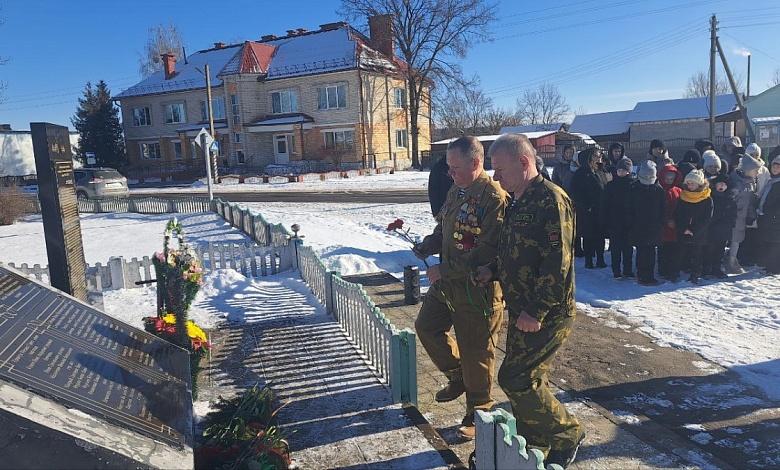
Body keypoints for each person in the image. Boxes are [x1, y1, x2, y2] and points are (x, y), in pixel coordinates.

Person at [471, 133, 584, 469]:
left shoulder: (551, 199)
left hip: (546, 313)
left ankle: (567, 433)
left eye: (499, 168)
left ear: (523, 162)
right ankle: (536, 442)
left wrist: (537, 309)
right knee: (531, 379)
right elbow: (518, 253)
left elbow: (557, 260)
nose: (495, 176)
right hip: (524, 309)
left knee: (516, 379)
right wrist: (491, 270)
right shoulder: (520, 199)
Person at [412, 135, 507, 441]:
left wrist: (445, 269)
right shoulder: (457, 189)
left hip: (475, 289)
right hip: (448, 284)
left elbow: (489, 252)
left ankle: (478, 413)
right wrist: (430, 244)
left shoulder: (494, 198)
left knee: (476, 352)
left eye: (454, 168)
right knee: (426, 327)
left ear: (476, 163)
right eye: (449, 168)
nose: (449, 173)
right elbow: (445, 229)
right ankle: (457, 376)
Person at [626, 160, 666, 286]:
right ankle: (642, 275)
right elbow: (629, 207)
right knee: (641, 251)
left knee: (650, 252)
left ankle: (650, 275)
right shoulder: (634, 189)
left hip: (654, 226)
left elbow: (663, 208)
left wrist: (661, 223)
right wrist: (632, 223)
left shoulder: (658, 190)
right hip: (638, 225)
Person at [569, 147, 611, 269]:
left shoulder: (603, 171)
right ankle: (589, 260)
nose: (599, 158)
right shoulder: (581, 173)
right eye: (596, 156)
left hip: (602, 209)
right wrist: (587, 205)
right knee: (588, 236)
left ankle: (600, 259)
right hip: (588, 211)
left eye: (600, 156)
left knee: (601, 235)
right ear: (589, 158)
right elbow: (575, 192)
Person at [673, 170, 713, 284]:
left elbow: (707, 218)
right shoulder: (683, 196)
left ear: (700, 183)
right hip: (684, 231)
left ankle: (694, 274)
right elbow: (678, 214)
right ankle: (674, 273)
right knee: (679, 252)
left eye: (693, 183)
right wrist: (684, 228)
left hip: (699, 233)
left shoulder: (706, 198)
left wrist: (694, 231)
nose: (690, 185)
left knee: (697, 254)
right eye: (688, 183)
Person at [600, 156, 635, 278]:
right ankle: (616, 270)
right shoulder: (611, 185)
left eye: (623, 170)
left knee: (628, 248)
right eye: (619, 170)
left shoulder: (633, 185)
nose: (621, 173)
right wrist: (605, 219)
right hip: (614, 221)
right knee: (616, 248)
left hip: (629, 221)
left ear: (629, 171)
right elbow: (605, 203)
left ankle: (628, 269)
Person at [726, 155, 761, 274]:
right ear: (747, 170)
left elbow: (751, 201)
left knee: (737, 239)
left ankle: (732, 259)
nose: (757, 173)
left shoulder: (750, 183)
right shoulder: (737, 183)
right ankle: (729, 261)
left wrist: (751, 216)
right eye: (755, 171)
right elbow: (730, 199)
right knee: (730, 238)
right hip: (733, 217)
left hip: (742, 217)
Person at [703, 173, 737, 279]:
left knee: (720, 250)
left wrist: (731, 223)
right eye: (719, 184)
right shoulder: (711, 197)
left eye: (724, 184)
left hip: (724, 229)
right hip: (712, 228)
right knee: (709, 249)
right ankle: (706, 269)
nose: (721, 186)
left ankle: (716, 268)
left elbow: (733, 213)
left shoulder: (730, 198)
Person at [657, 164, 683, 281]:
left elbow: (681, 208)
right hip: (663, 226)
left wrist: (675, 220)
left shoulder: (678, 191)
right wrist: (666, 220)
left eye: (671, 179)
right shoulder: (659, 190)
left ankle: (673, 269)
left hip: (675, 225)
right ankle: (663, 269)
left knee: (675, 250)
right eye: (666, 179)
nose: (668, 181)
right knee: (663, 250)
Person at [757, 155, 780, 274]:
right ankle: (769, 265)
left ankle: (775, 267)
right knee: (768, 242)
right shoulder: (771, 181)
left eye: (778, 166)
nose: (775, 168)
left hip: (775, 219)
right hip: (767, 218)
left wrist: (771, 213)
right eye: (773, 165)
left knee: (775, 243)